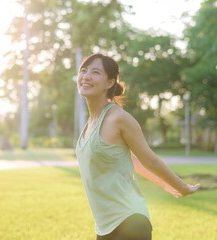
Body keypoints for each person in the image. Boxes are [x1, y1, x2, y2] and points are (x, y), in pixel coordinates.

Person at [75, 53, 200, 240]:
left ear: (109, 83)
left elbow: (149, 160)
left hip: (130, 222)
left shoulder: (119, 118)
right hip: (104, 227)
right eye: (83, 71)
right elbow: (130, 160)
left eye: (95, 72)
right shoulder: (90, 124)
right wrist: (164, 185)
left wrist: (182, 187)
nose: (86, 76)